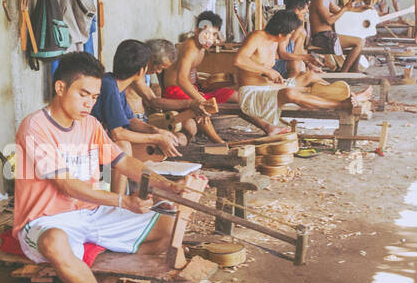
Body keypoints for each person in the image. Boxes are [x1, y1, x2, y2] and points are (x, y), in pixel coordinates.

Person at [13, 52, 200, 283]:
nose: (88, 104)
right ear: (60, 88)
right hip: (46, 220)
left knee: (170, 225)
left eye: (94, 97)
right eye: (83, 94)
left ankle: (107, 280)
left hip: (91, 212)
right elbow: (66, 185)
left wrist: (168, 186)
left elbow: (123, 163)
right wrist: (124, 202)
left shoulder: (90, 125)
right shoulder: (35, 127)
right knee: (53, 242)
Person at [232, 10, 373, 135]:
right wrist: (267, 71)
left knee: (309, 76)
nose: (291, 36)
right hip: (253, 93)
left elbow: (277, 59)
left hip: (270, 87)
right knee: (290, 93)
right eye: (290, 34)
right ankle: (341, 105)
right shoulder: (257, 37)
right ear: (281, 34)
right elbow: (239, 60)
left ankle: (345, 95)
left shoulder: (275, 41)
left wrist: (301, 62)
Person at [91, 40, 183, 187]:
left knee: (154, 148)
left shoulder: (115, 85)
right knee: (124, 145)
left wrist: (157, 131)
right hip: (88, 149)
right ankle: (117, 200)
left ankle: (131, 191)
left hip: (101, 146)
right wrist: (157, 138)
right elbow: (118, 134)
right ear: (141, 71)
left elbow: (131, 120)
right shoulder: (109, 85)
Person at [161, 11, 230, 143]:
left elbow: (191, 72)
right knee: (203, 107)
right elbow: (181, 79)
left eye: (214, 34)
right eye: (206, 34)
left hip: (192, 88)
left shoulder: (202, 48)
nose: (210, 39)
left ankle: (268, 127)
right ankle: (219, 142)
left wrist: (204, 83)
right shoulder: (190, 48)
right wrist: (201, 100)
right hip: (175, 91)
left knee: (232, 94)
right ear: (197, 31)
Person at [309, 0, 366, 72]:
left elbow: (343, 13)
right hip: (321, 37)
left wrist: (362, 9)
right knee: (359, 42)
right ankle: (344, 72)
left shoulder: (327, 0)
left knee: (362, 37)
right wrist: (345, 8)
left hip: (328, 36)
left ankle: (354, 69)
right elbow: (329, 20)